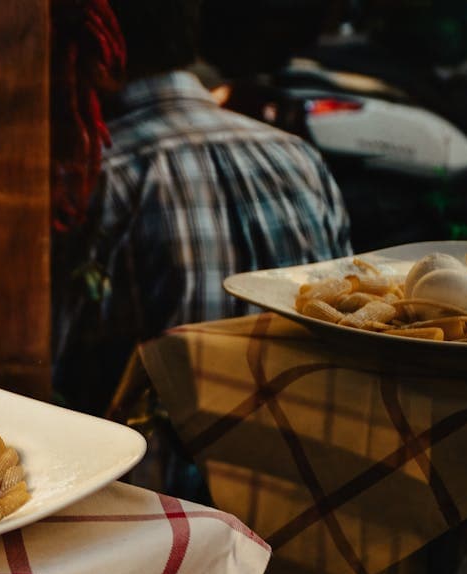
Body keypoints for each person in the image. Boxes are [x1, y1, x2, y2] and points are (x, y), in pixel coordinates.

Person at [51, 0, 353, 417]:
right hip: (296, 468)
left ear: (93, 46)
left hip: (147, 478)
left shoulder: (101, 178)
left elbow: (44, 373)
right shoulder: (300, 159)